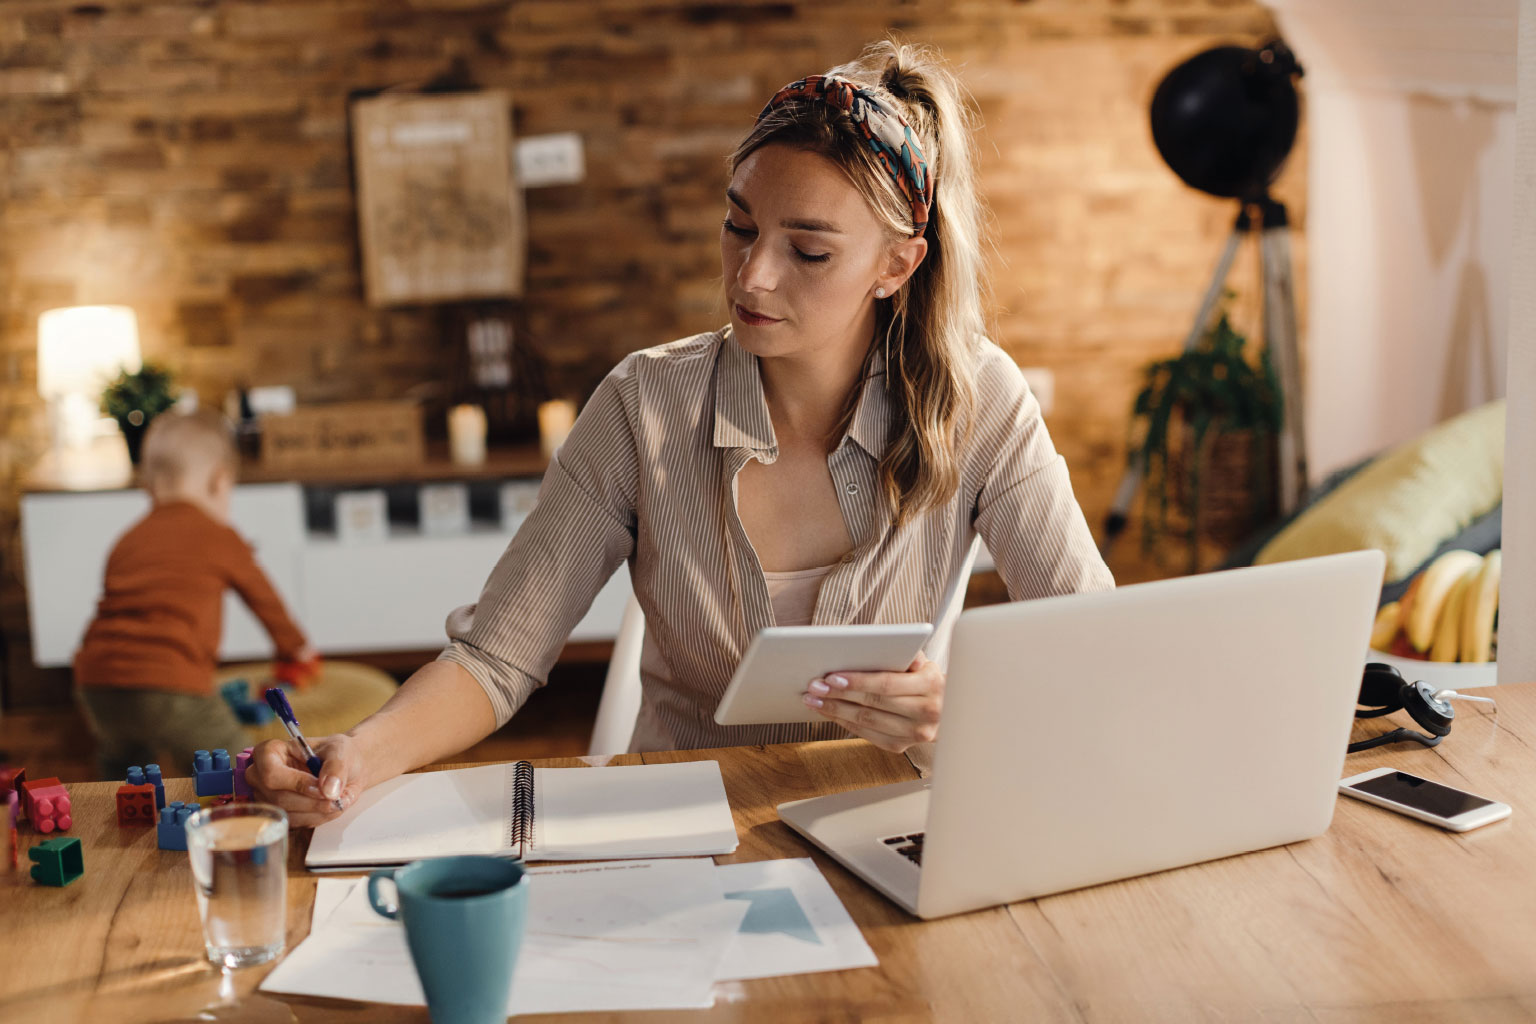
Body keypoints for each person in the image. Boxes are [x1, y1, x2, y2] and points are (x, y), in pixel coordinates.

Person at [250, 40, 1113, 826]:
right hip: (684, 834)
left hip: (898, 821)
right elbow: (497, 658)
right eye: (740, 225)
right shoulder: (641, 406)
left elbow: (1098, 649)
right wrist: (358, 755)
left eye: (807, 252)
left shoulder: (981, 399)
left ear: (897, 264)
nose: (753, 273)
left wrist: (954, 710)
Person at [74, 407, 317, 780]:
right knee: (234, 763)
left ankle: (118, 813)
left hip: (97, 683)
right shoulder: (219, 536)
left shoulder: (127, 540)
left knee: (125, 770)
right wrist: (295, 648)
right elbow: (265, 601)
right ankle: (235, 818)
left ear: (149, 487)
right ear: (220, 481)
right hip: (172, 686)